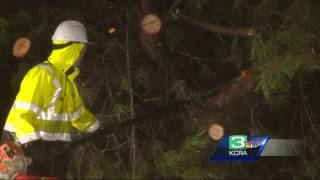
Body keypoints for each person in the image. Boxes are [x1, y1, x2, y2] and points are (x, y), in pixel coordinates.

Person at [1, 20, 100, 178]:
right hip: (22, 151)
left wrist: (96, 128)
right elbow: (22, 115)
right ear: (76, 49)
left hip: (51, 152)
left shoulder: (67, 82)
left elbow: (77, 114)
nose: (83, 55)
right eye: (83, 49)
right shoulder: (43, 74)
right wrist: (33, 143)